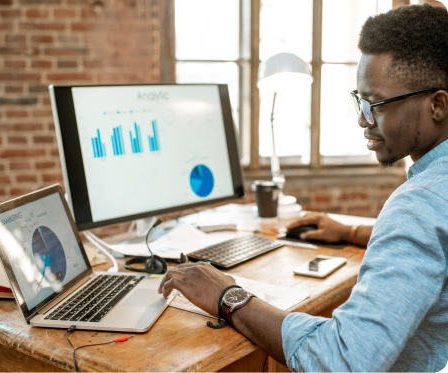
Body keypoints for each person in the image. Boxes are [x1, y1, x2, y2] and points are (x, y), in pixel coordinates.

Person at [158, 4, 448, 372]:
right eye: (359, 100)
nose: (362, 119)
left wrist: (227, 296)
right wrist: (351, 232)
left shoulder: (416, 207)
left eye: (375, 103)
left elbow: (342, 360)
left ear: (437, 105)